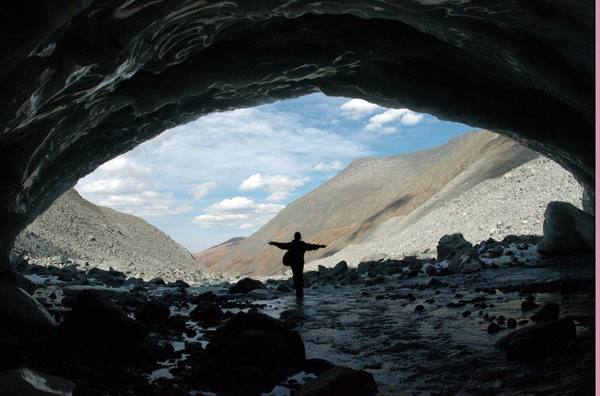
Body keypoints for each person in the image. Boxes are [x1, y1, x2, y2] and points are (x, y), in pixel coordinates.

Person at [268, 232, 326, 299]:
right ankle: (300, 292)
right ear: (300, 237)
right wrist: (320, 246)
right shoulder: (303, 245)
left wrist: (274, 243)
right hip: (300, 263)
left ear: (294, 237)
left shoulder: (291, 245)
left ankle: (297, 293)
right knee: (300, 276)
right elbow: (312, 246)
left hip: (293, 263)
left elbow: (282, 245)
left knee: (295, 276)